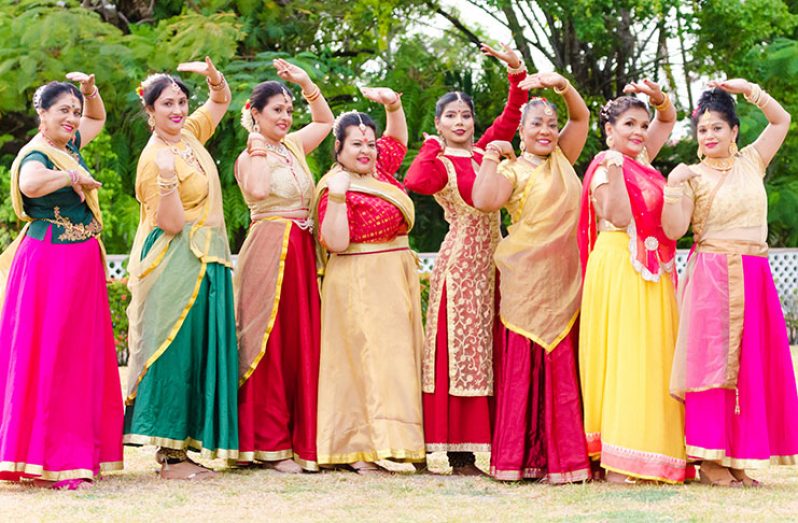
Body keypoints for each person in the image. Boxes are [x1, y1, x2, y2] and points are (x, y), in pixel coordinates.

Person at [662, 82, 798, 487]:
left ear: (735, 131)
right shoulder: (692, 176)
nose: (709, 136)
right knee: (711, 365)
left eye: (717, 127)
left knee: (750, 366)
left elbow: (782, 119)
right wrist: (673, 185)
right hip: (712, 276)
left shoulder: (753, 161)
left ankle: (736, 457)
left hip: (754, 273)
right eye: (703, 130)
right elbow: (674, 229)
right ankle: (709, 459)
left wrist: (752, 90)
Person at [403, 43, 527, 474]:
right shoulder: (441, 162)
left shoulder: (486, 151)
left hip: (498, 261)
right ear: (439, 123)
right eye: (450, 116)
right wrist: (431, 147)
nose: (460, 122)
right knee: (462, 351)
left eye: (465, 115)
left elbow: (513, 115)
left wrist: (514, 72)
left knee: (493, 348)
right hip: (460, 265)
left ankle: (498, 441)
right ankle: (459, 451)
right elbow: (415, 181)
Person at [0, 75, 123, 489]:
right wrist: (72, 179)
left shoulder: (66, 147)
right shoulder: (37, 153)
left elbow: (98, 117)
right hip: (52, 261)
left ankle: (78, 452)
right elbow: (29, 184)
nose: (72, 118)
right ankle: (51, 457)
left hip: (79, 261)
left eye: (74, 111)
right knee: (54, 352)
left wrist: (90, 90)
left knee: (78, 353)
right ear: (42, 114)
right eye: (63, 111)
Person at [472, 72, 591, 483]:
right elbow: (484, 200)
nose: (546, 130)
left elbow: (582, 117)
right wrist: (491, 155)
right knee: (524, 367)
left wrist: (561, 84)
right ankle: (515, 461)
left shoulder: (563, 159)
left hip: (565, 282)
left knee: (561, 370)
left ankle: (566, 462)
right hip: (524, 280)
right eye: (537, 124)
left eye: (551, 124)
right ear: (521, 131)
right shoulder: (513, 170)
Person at [124, 57, 237, 480]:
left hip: (208, 256)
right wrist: (169, 179)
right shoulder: (155, 158)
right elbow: (169, 223)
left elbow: (221, 101)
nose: (177, 110)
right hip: (174, 259)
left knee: (201, 349)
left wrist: (213, 78)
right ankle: (169, 457)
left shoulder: (188, 134)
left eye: (182, 101)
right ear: (149, 111)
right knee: (173, 349)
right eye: (167, 104)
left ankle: (191, 446)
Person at [577, 81, 688, 484]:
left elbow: (669, 118)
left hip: (653, 270)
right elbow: (620, 218)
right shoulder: (607, 166)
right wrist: (613, 165)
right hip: (619, 266)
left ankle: (654, 452)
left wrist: (657, 96)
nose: (639, 132)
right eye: (629, 124)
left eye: (643, 124)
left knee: (654, 357)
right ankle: (621, 459)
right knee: (628, 356)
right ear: (609, 130)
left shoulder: (640, 159)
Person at [313, 88, 425, 474]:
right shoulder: (335, 186)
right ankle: (360, 448)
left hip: (394, 276)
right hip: (358, 279)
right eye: (356, 144)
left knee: (395, 360)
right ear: (338, 149)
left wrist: (393, 103)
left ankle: (399, 444)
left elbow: (397, 138)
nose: (366, 150)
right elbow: (336, 242)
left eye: (370, 144)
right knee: (365, 359)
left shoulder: (380, 172)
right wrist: (341, 199)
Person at [235, 59, 333, 473]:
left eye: (289, 110)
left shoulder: (292, 146)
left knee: (299, 342)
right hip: (270, 246)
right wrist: (257, 144)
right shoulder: (249, 155)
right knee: (268, 341)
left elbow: (325, 122)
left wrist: (307, 83)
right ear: (255, 113)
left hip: (300, 249)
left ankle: (298, 440)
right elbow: (257, 190)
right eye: (277, 109)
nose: (286, 117)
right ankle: (267, 443)